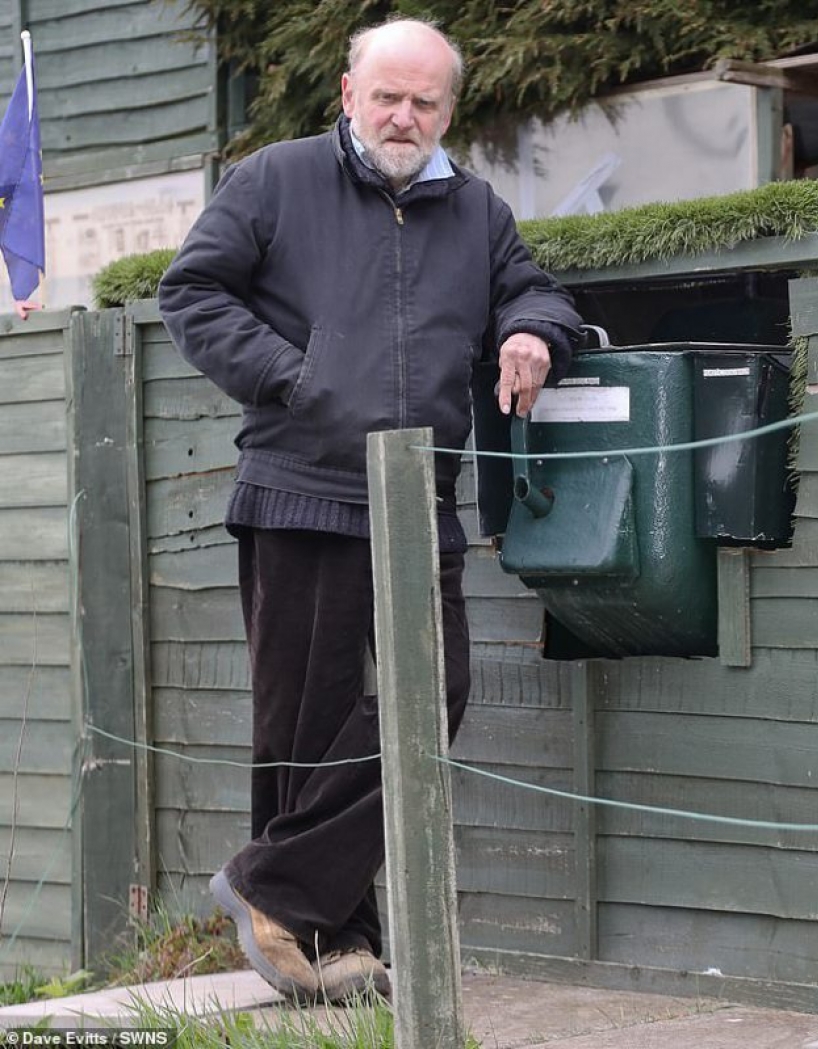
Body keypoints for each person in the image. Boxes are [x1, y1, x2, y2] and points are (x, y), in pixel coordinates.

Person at [159, 16, 582, 1004]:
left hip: (419, 495)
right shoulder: (275, 180)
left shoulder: (476, 212)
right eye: (385, 96)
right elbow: (194, 291)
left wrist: (530, 333)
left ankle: (268, 883)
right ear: (348, 94)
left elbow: (538, 293)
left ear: (448, 109)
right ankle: (332, 936)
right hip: (301, 488)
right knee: (302, 720)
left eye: (423, 101)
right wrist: (290, 377)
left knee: (432, 703)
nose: (403, 115)